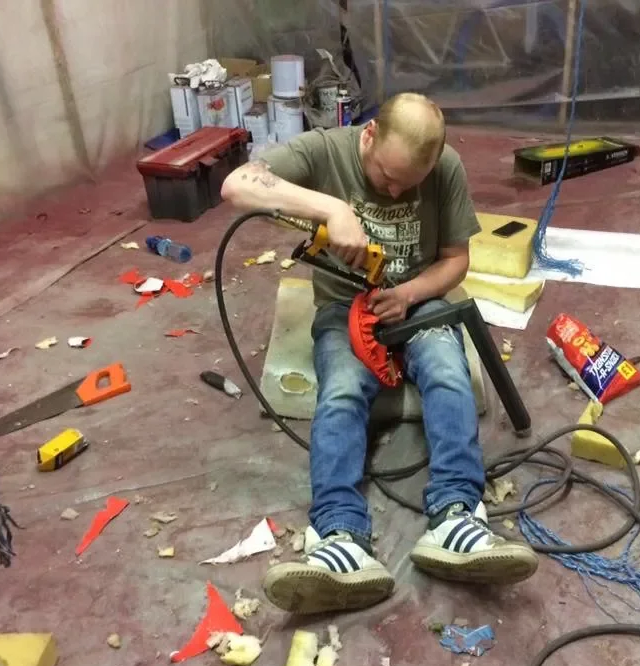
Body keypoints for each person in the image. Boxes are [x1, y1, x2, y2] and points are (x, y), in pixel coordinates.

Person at [221, 93, 538, 615]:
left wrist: (411, 294)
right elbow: (236, 186)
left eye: (408, 184)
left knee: (447, 372)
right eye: (385, 176)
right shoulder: (325, 150)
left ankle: (459, 516)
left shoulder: (446, 168)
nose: (394, 189)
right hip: (344, 308)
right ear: (368, 134)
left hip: (418, 302)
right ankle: (339, 538)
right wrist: (333, 207)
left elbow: (457, 261)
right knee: (342, 393)